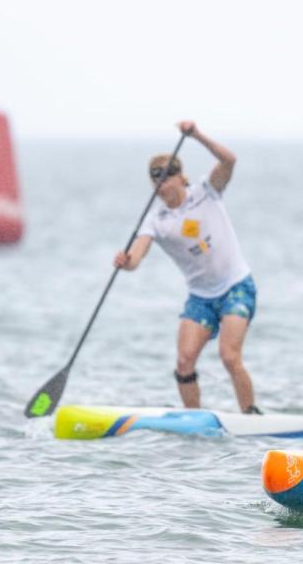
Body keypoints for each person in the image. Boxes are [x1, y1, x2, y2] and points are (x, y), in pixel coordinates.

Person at [114, 121, 261, 414]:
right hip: (200, 297)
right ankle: (194, 421)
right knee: (184, 362)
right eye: (156, 181)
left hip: (237, 287)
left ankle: (250, 415)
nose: (161, 186)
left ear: (180, 177)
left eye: (166, 178)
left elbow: (229, 160)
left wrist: (196, 136)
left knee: (229, 357)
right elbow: (136, 257)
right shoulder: (155, 220)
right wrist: (125, 261)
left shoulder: (206, 191)